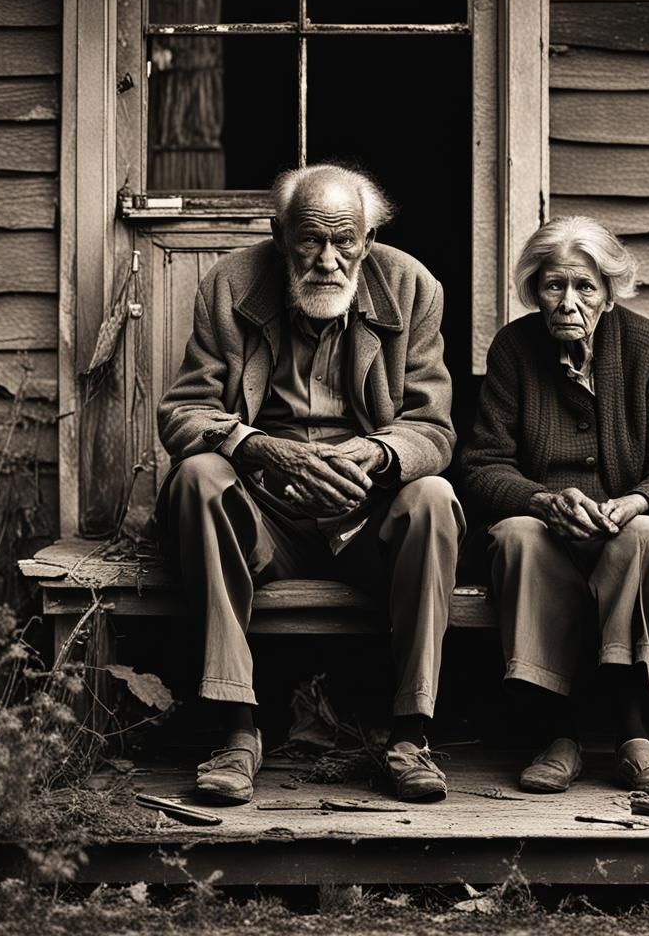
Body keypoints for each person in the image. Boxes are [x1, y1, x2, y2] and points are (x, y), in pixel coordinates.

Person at [156, 164, 464, 804]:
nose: (328, 260)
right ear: (279, 235)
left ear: (368, 241)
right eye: (310, 241)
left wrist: (374, 455)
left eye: (345, 241)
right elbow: (183, 414)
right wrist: (264, 450)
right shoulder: (230, 285)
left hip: (363, 512)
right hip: (267, 514)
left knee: (433, 498)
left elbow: (432, 428)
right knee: (197, 477)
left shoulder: (412, 289)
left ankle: (411, 734)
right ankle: (237, 730)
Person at [461, 215, 649, 796]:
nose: (568, 301)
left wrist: (635, 501)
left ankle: (630, 733)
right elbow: (482, 465)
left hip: (620, 532)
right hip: (548, 533)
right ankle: (558, 734)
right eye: (553, 286)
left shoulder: (647, 349)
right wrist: (542, 500)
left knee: (647, 534)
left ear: (609, 291)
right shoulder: (514, 350)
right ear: (535, 290)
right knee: (517, 534)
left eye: (585, 287)